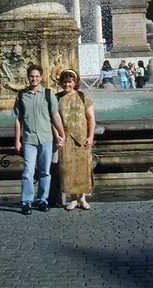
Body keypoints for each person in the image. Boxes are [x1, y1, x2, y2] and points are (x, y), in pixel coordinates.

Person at [14, 64, 66, 215]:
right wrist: (17, 140)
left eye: (37, 76)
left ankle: (43, 200)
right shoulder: (21, 96)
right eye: (32, 76)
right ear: (28, 78)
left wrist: (61, 135)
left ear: (41, 78)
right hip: (29, 139)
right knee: (27, 170)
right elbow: (18, 119)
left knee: (45, 171)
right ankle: (26, 201)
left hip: (46, 138)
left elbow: (55, 116)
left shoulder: (48, 95)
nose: (34, 79)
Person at [56, 69, 96, 211]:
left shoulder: (83, 96)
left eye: (70, 82)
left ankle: (82, 198)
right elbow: (53, 120)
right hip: (65, 138)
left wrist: (90, 136)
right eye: (65, 82)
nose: (67, 85)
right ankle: (73, 198)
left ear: (75, 83)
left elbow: (91, 118)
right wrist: (58, 136)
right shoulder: (57, 98)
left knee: (83, 167)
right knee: (68, 168)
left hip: (82, 137)